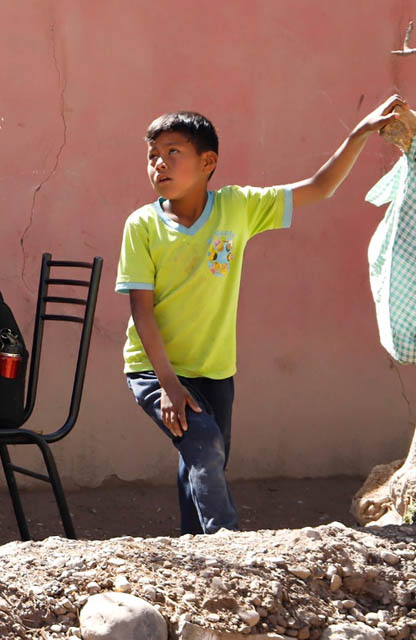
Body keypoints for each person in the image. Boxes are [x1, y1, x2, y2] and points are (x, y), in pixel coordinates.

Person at [116, 97, 406, 535]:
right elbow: (141, 310)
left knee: (202, 455)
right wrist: (169, 386)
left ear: (208, 161)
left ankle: (192, 550)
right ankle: (226, 544)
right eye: (152, 155)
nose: (159, 164)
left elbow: (320, 187)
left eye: (172, 153)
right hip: (156, 370)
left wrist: (359, 133)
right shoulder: (142, 226)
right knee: (205, 446)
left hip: (215, 371)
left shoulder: (239, 207)